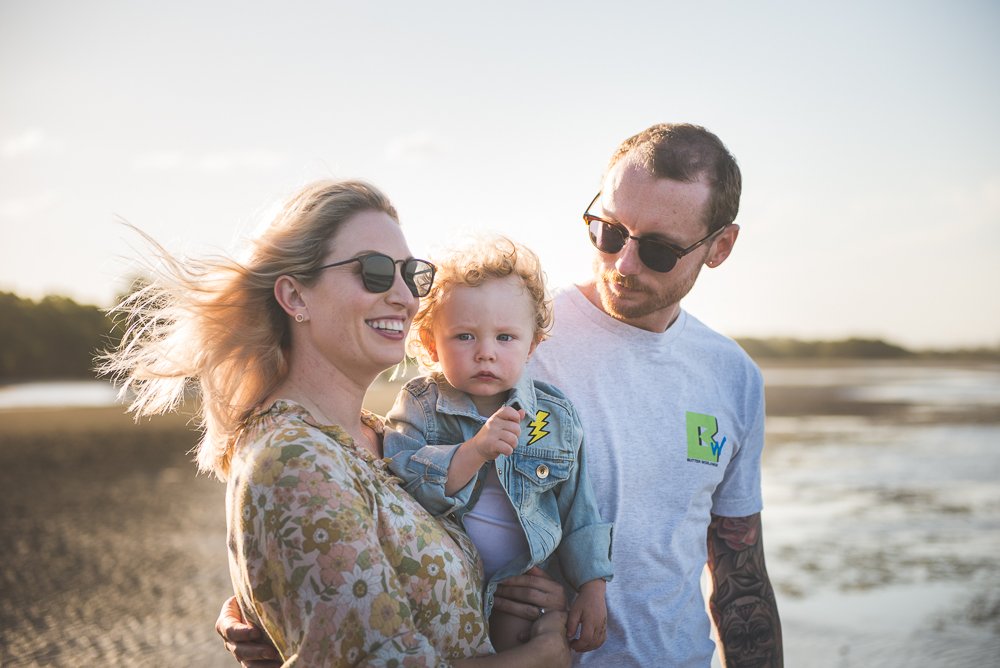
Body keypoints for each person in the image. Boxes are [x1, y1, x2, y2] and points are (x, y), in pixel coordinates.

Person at [219, 122, 783, 667]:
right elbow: (375, 502)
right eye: (608, 231)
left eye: (658, 249)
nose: (623, 262)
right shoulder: (499, 337)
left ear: (720, 247)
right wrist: (276, 599)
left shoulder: (731, 377)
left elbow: (741, 576)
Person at [105, 179, 571, 666]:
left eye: (411, 275)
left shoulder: (376, 434)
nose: (404, 298)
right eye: (372, 272)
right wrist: (541, 658)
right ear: (294, 296)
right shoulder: (293, 459)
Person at [382, 236, 613, 653]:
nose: (485, 353)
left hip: (521, 587)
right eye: (465, 336)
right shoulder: (420, 405)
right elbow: (400, 487)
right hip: (443, 589)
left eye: (505, 338)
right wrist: (473, 452)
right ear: (433, 343)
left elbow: (579, 508)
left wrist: (592, 588)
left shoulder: (550, 417)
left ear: (532, 346)